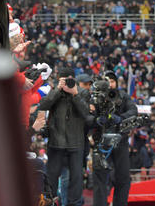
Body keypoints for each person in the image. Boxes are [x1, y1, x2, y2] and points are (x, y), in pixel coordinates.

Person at [38, 67, 91, 206]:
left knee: (76, 179)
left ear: (74, 79)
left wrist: (75, 94)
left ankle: (74, 204)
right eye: (64, 80)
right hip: (56, 142)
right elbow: (43, 105)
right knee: (51, 177)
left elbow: (86, 113)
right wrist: (57, 90)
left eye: (70, 80)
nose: (67, 82)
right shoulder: (55, 92)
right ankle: (51, 202)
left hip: (76, 143)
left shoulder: (83, 92)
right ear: (59, 80)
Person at [92, 71, 137, 206]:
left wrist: (120, 119)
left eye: (112, 81)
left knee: (123, 177)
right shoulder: (95, 97)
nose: (110, 84)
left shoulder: (123, 96)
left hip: (120, 141)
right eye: (107, 81)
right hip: (101, 142)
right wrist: (96, 119)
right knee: (99, 177)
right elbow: (86, 114)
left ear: (116, 83)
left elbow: (133, 111)